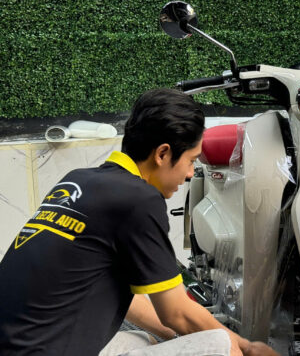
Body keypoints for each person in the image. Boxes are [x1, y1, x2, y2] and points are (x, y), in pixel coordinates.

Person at [0, 88, 279, 356]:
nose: (190, 174)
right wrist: (246, 347)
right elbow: (177, 313)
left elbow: (129, 295)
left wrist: (176, 337)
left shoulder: (78, 179)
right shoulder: (139, 199)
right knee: (221, 346)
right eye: (191, 160)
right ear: (162, 154)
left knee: (143, 339)